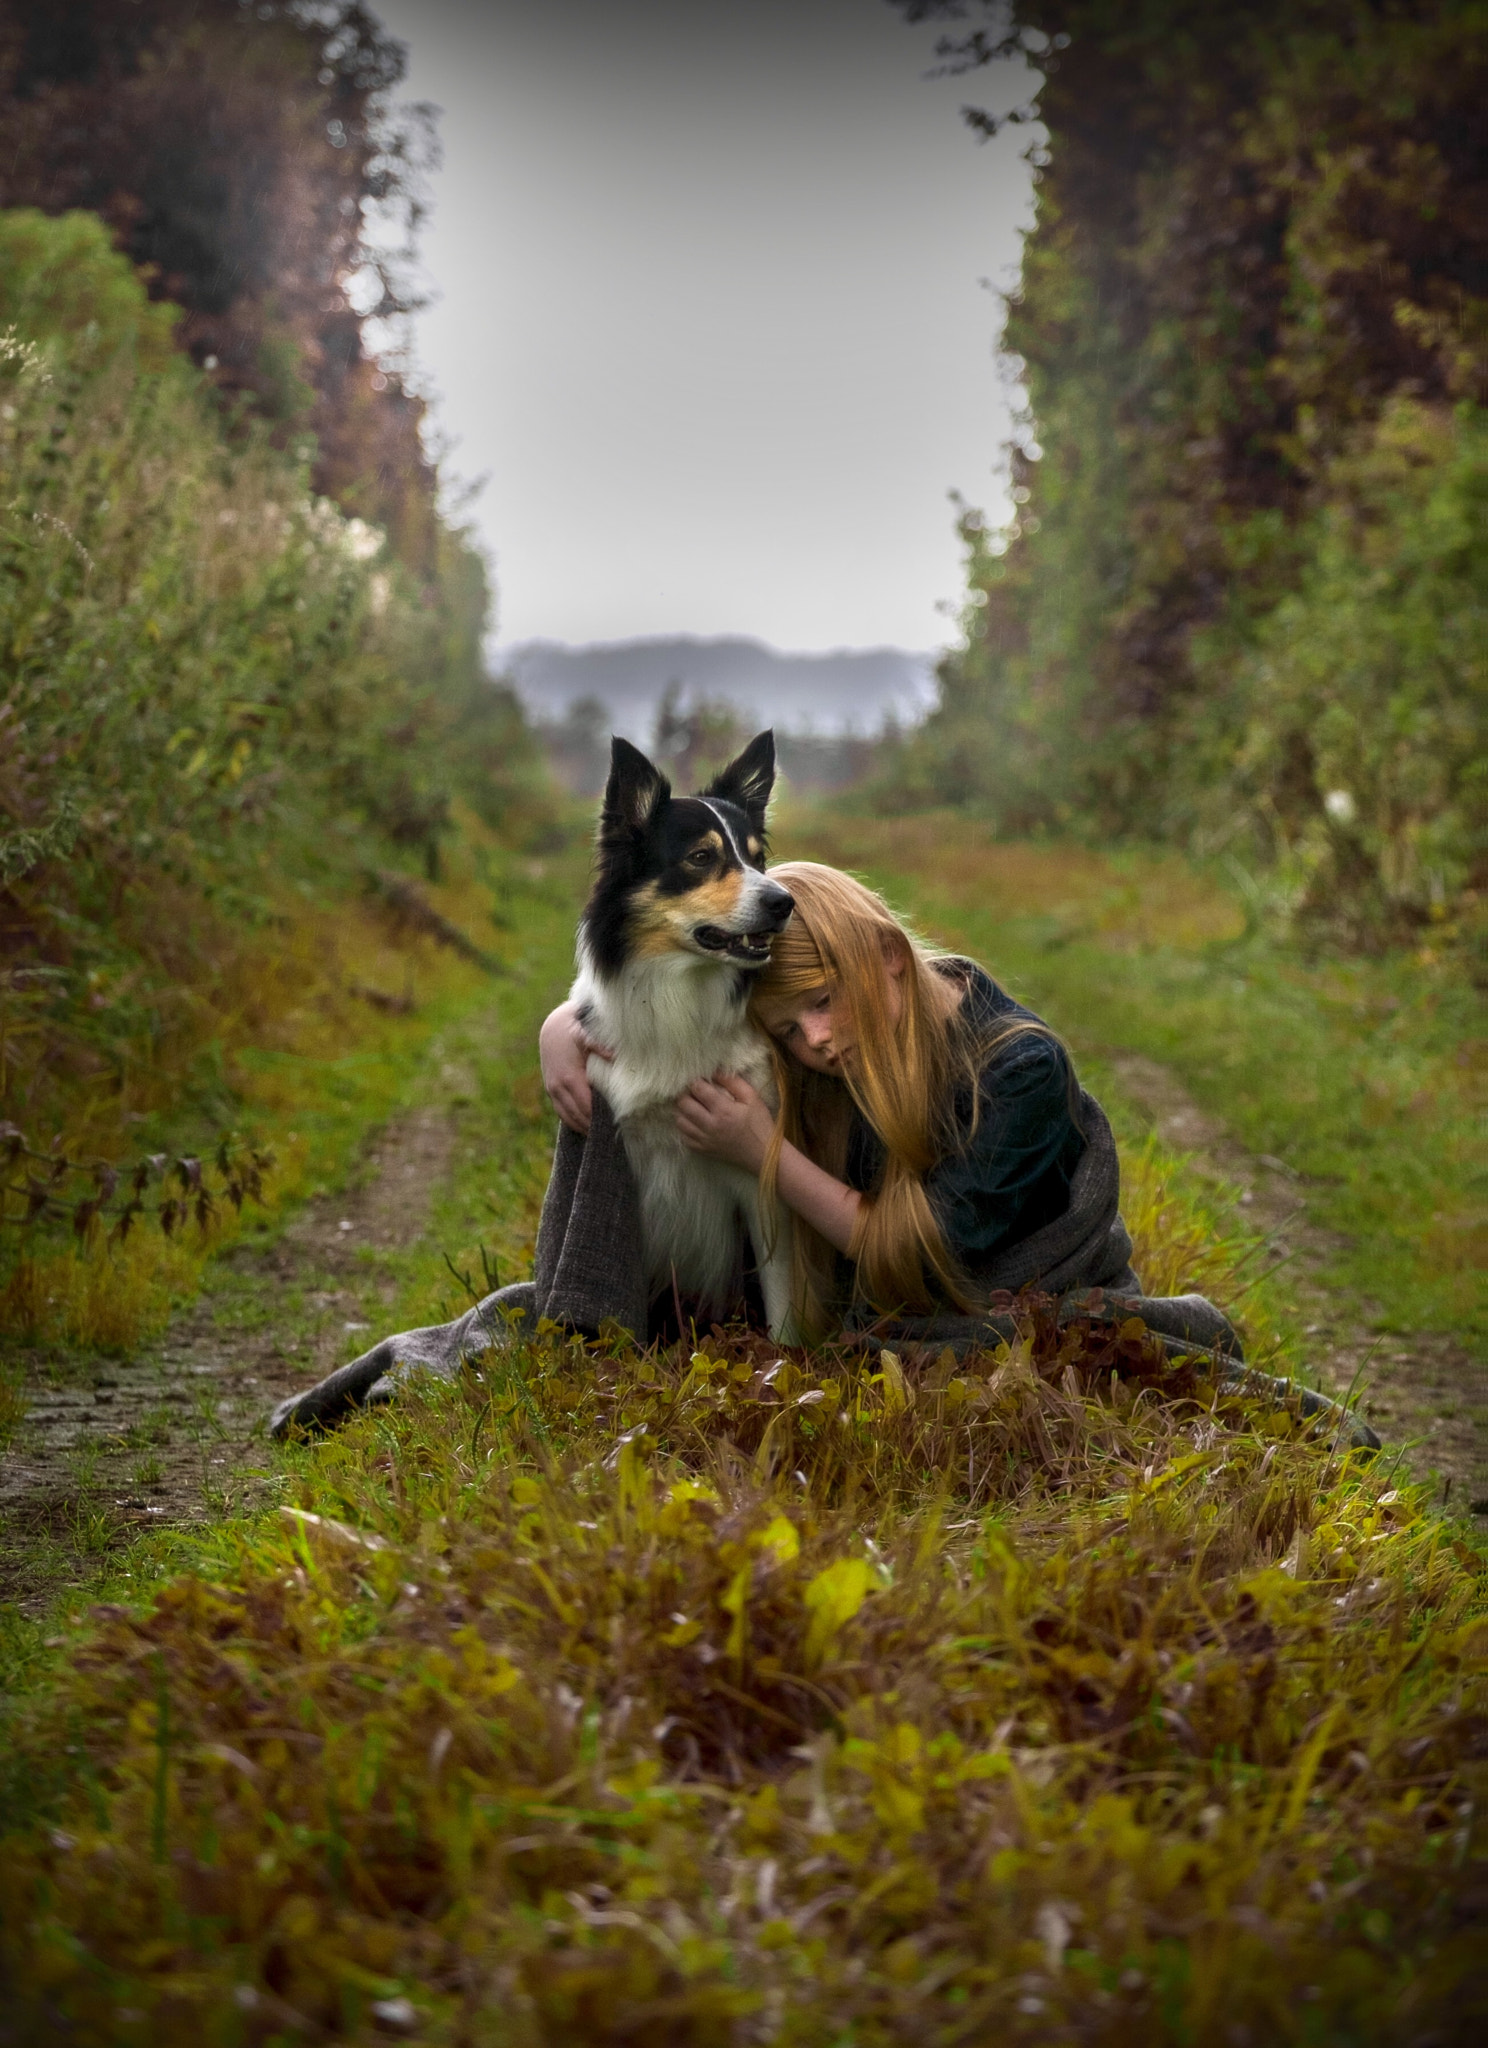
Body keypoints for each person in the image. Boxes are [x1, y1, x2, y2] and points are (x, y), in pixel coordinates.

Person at [269, 860, 1374, 1449]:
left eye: (824, 1008)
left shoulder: (1020, 1066)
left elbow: (921, 1259)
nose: (815, 1042)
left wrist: (765, 1153)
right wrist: (569, 1024)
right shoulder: (823, 1027)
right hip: (845, 1285)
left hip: (987, 1279)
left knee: (1018, 1344)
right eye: (791, 1026)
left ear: (889, 958)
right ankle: (580, 1312)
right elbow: (658, 1003)